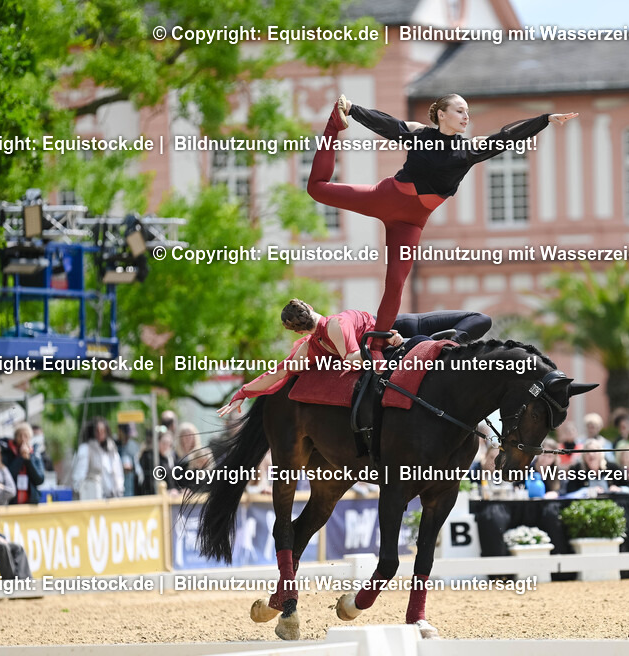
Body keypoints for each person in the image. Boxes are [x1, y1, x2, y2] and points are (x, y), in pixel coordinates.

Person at [309, 93, 578, 359]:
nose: (466, 117)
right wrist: (352, 110)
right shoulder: (419, 135)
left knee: (396, 283)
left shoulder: (469, 150)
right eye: (460, 111)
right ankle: (333, 123)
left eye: (468, 112)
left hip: (410, 223)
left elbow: (505, 137)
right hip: (385, 198)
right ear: (442, 114)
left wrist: (544, 120)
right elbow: (390, 125)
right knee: (317, 189)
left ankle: (377, 349)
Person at [218, 300, 493, 416]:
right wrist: (242, 392)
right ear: (311, 308)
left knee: (478, 320)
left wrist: (242, 393)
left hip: (402, 329)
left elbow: (276, 374)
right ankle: (433, 346)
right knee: (481, 319)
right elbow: (353, 359)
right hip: (397, 342)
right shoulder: (310, 347)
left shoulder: (329, 331)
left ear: (298, 329)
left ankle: (442, 344)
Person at [71, 417, 123, 500]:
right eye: (97, 431)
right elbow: (79, 474)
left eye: (102, 431)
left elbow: (118, 472)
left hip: (112, 496)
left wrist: (119, 490)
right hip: (93, 496)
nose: (100, 434)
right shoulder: (86, 449)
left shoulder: (111, 449)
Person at [4, 423, 46, 504]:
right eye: (20, 436)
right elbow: (8, 476)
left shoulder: (35, 454)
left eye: (26, 436)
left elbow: (40, 479)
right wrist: (21, 457)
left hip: (30, 502)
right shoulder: (8, 453)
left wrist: (28, 460)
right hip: (12, 502)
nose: (23, 439)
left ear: (30, 438)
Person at [117, 423, 144, 497]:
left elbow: (138, 466)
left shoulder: (134, 445)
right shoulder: (113, 445)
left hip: (133, 488)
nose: (126, 437)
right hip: (118, 489)